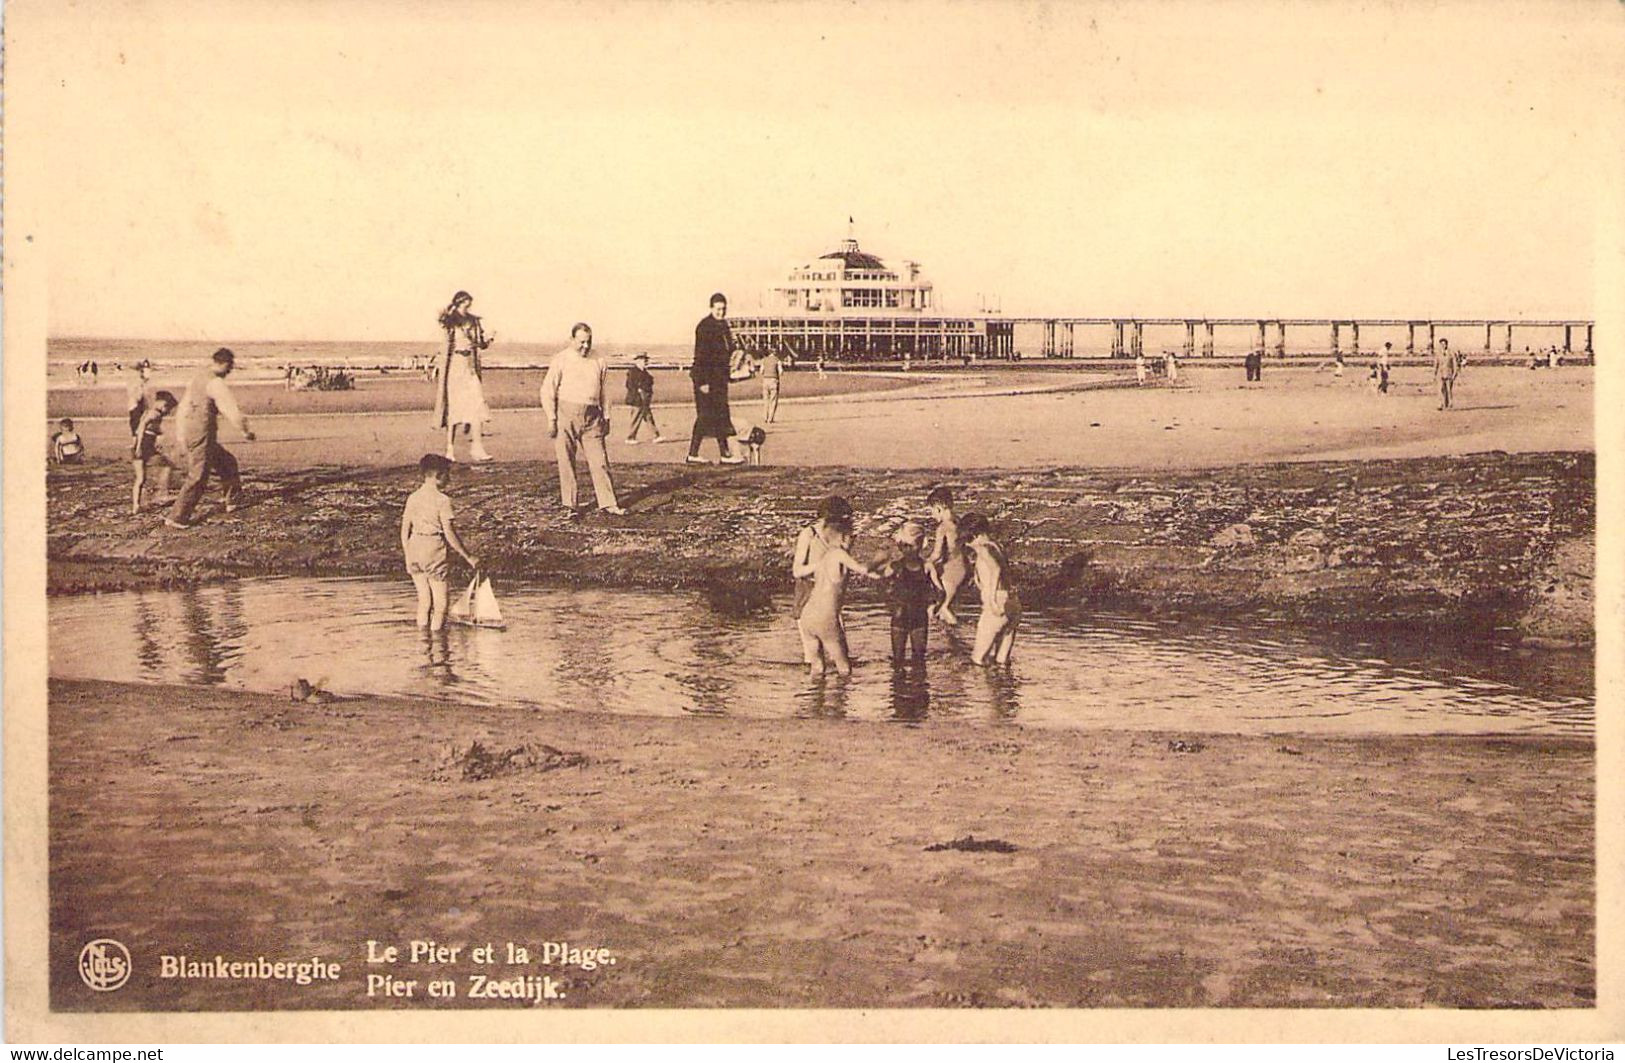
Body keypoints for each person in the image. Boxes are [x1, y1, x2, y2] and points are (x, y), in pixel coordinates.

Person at [166, 347, 256, 528]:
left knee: (228, 463)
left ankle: (233, 501)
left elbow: (183, 408)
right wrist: (245, 431)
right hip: (202, 433)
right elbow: (232, 411)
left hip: (193, 430)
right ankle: (177, 517)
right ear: (224, 364)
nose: (230, 371)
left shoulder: (197, 378)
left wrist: (181, 434)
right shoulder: (215, 383)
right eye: (230, 367)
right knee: (198, 475)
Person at [541, 323, 625, 516]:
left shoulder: (599, 360)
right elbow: (547, 390)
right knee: (566, 461)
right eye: (581, 342)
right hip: (565, 413)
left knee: (600, 460)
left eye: (589, 342)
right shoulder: (561, 359)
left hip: (593, 416)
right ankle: (570, 505)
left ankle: (608, 503)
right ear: (572, 340)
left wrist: (607, 416)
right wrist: (551, 418)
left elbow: (605, 391)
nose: (585, 346)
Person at [400, 453, 479, 631]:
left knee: (424, 601)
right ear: (438, 476)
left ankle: (423, 642)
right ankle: (438, 643)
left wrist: (407, 555)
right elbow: (450, 534)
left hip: (414, 548)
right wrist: (468, 557)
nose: (449, 479)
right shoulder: (443, 500)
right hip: (433, 548)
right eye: (447, 474)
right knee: (441, 604)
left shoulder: (413, 498)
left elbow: (404, 531)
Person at [798, 516, 878, 677]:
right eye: (852, 536)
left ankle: (814, 699)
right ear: (843, 537)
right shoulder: (839, 554)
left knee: (818, 667)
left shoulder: (825, 557)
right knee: (844, 668)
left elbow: (872, 574)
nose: (854, 540)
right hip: (826, 618)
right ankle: (841, 700)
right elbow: (864, 569)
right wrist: (880, 558)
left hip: (807, 616)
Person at [791, 495, 853, 665]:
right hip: (808, 594)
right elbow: (797, 571)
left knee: (842, 652)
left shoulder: (845, 533)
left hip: (831, 596)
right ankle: (815, 689)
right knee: (813, 656)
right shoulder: (809, 534)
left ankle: (842, 689)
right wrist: (822, 565)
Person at [434, 290, 494, 463]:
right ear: (459, 303)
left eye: (469, 303)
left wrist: (488, 340)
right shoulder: (449, 321)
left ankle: (477, 448)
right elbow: (445, 347)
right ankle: (450, 449)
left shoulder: (474, 322)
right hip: (455, 367)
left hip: (470, 365)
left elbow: (481, 344)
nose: (468, 306)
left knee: (477, 404)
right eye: (465, 302)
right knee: (454, 408)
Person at [688, 293, 743, 465]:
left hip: (719, 379)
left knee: (721, 415)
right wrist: (702, 382)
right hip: (705, 379)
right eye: (718, 309)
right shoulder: (704, 327)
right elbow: (701, 356)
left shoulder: (724, 326)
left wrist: (736, 364)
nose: (721, 312)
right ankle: (692, 454)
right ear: (711, 308)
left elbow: (729, 351)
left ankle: (725, 454)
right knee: (704, 416)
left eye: (724, 309)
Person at [960, 512, 1020, 666]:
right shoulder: (997, 546)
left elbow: (996, 570)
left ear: (976, 535)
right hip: (1013, 603)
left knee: (977, 660)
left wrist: (992, 600)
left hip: (997, 605)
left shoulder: (982, 548)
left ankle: (980, 689)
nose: (967, 545)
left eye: (967, 540)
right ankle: (1004, 688)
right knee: (1001, 661)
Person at [880, 521, 935, 665]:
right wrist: (889, 599)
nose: (909, 550)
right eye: (905, 546)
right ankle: (899, 685)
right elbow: (881, 586)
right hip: (899, 616)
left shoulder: (927, 566)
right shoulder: (894, 567)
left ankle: (919, 686)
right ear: (899, 546)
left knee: (919, 660)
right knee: (898, 659)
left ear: (921, 545)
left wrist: (934, 606)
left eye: (912, 546)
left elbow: (939, 590)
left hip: (920, 617)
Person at [926, 485, 969, 625]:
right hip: (964, 570)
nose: (932, 516)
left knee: (945, 609)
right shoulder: (960, 521)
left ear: (938, 508)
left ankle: (957, 639)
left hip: (950, 573)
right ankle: (947, 636)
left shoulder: (943, 528)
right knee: (945, 609)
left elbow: (937, 554)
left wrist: (926, 561)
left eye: (932, 512)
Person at [130, 390, 179, 513]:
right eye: (167, 408)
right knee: (167, 467)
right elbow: (141, 428)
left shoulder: (152, 413)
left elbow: (148, 430)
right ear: (162, 403)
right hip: (144, 446)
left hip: (146, 446)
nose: (167, 412)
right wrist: (139, 446)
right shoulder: (154, 414)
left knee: (141, 478)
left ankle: (136, 505)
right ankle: (161, 493)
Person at [623, 353, 662, 444]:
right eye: (643, 360)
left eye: (645, 360)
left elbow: (649, 382)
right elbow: (629, 385)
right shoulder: (633, 372)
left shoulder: (644, 372)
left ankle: (656, 436)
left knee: (648, 417)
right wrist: (639, 390)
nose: (645, 362)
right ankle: (630, 437)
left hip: (644, 398)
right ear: (638, 361)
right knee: (637, 418)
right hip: (637, 399)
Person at [1433, 337, 1461, 411]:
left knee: (1448, 390)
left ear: (1446, 345)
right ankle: (1440, 404)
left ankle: (1449, 404)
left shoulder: (1451, 353)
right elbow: (1436, 364)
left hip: (1448, 373)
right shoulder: (1438, 354)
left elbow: (1455, 364)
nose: (1443, 346)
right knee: (1440, 389)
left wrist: (1455, 373)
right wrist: (1434, 374)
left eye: (1444, 344)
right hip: (1440, 373)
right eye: (1441, 344)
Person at [758, 348, 784, 423]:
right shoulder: (777, 360)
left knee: (766, 400)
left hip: (765, 380)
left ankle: (765, 417)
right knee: (773, 400)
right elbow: (780, 372)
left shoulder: (764, 360)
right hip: (774, 380)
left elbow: (761, 371)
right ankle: (770, 418)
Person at [126, 362, 152, 436]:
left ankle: (136, 443)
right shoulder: (139, 381)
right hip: (136, 404)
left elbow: (139, 395)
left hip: (136, 405)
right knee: (137, 424)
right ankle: (137, 442)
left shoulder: (138, 381)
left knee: (136, 424)